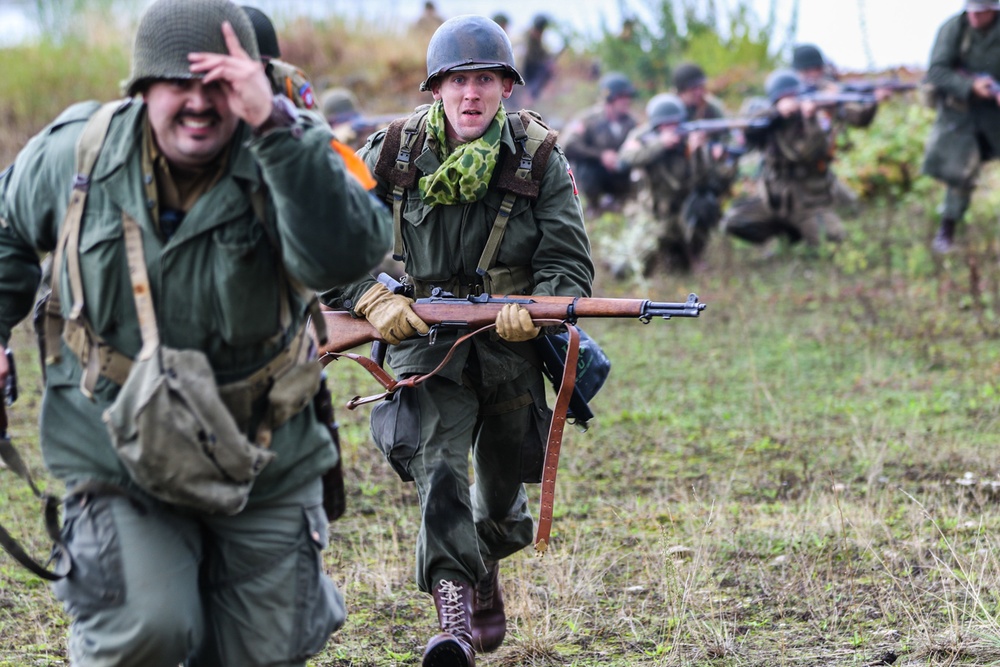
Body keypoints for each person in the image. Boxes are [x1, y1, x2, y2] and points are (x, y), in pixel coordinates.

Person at [0, 0, 392, 665]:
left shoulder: (289, 150)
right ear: (142, 87)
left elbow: (346, 256)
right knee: (146, 627)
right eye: (179, 83)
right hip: (115, 446)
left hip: (262, 450)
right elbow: (7, 224)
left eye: (218, 83)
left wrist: (273, 124)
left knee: (266, 649)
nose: (199, 103)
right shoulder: (80, 152)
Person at [322, 14, 593, 666]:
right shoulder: (392, 153)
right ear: (435, 88)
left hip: (508, 345)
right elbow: (331, 244)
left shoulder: (538, 157)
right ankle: (454, 621)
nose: (470, 94)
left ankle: (483, 562)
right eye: (456, 81)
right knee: (439, 470)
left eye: (484, 80)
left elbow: (570, 267)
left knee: (500, 495)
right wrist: (371, 297)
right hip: (422, 338)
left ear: (505, 85)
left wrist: (537, 311)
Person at [612, 93, 738, 276]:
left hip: (682, 214)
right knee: (626, 270)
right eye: (666, 124)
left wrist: (697, 153)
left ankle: (692, 254)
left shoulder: (689, 141)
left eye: (675, 123)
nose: (672, 129)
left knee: (706, 203)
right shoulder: (643, 137)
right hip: (653, 215)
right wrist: (661, 145)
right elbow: (624, 160)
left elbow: (705, 182)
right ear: (656, 126)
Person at [721, 69, 847, 250]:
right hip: (773, 202)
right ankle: (784, 236)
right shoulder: (769, 121)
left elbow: (810, 153)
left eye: (793, 97)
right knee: (733, 221)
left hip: (807, 203)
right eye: (784, 97)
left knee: (833, 241)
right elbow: (746, 128)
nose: (790, 102)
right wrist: (776, 112)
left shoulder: (812, 119)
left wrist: (810, 118)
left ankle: (801, 233)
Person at [923, 0, 1000, 254]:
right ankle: (947, 232)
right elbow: (937, 71)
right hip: (962, 114)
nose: (975, 17)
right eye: (972, 11)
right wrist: (970, 86)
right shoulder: (955, 28)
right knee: (958, 174)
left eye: (982, 12)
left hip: (995, 116)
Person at [560, 71, 639, 217]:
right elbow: (568, 145)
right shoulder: (588, 119)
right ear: (610, 99)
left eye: (628, 97)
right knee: (587, 168)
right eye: (622, 97)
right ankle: (592, 206)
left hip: (619, 174)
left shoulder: (631, 122)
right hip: (593, 175)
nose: (627, 101)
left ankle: (623, 204)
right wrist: (600, 156)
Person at [242, 5, 318, 110]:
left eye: (260, 63)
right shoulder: (215, 89)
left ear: (267, 62)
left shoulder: (288, 81)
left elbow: (316, 123)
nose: (253, 70)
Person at [519, 13, 556, 105]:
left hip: (532, 72)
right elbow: (522, 60)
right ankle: (528, 97)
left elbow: (544, 55)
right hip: (524, 71)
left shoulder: (538, 42)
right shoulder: (526, 38)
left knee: (547, 67)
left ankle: (532, 97)